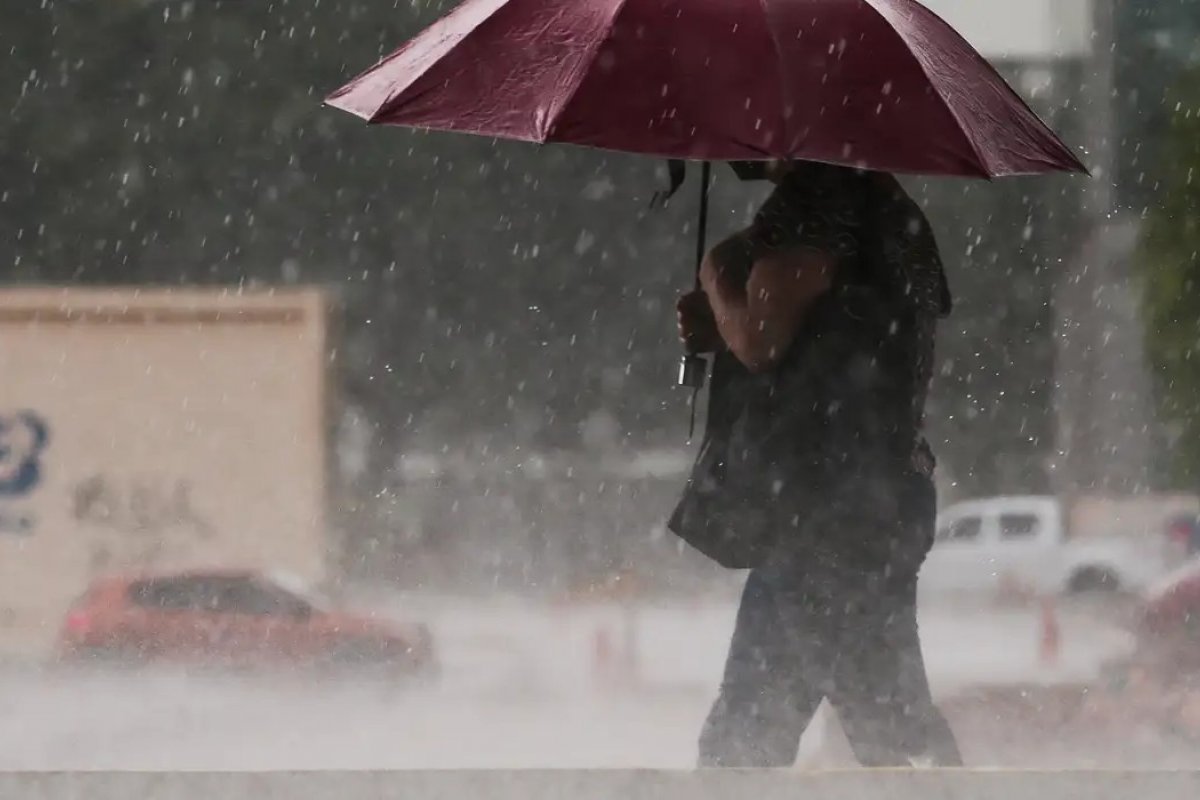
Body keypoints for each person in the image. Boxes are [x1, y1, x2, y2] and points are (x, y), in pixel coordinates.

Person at [675, 160, 963, 768]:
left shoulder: (820, 198)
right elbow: (834, 338)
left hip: (823, 508)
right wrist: (724, 320)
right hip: (870, 498)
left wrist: (718, 277)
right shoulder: (890, 208)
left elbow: (760, 336)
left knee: (883, 729)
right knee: (761, 731)